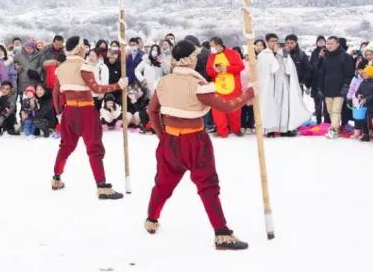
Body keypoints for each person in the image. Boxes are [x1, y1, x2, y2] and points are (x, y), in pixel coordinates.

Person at [143, 39, 256, 250]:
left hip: (169, 140)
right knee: (207, 185)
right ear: (189, 59)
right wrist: (249, 93)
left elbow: (152, 110)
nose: (197, 60)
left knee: (163, 183)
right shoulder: (197, 85)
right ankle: (222, 233)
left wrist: (162, 135)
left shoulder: (164, 82)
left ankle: (151, 218)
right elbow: (226, 106)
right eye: (195, 56)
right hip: (194, 141)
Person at [51, 36, 127, 200]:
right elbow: (97, 89)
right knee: (94, 148)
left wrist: (59, 114)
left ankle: (56, 178)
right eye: (83, 47)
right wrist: (118, 85)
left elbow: (55, 94)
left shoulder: (61, 68)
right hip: (86, 111)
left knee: (66, 146)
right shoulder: (84, 66)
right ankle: (102, 186)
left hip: (69, 111)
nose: (85, 49)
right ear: (79, 49)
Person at [257, 34, 311, 137]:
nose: (274, 43)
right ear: (267, 42)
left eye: (276, 41)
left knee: (284, 106)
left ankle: (284, 129)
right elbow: (272, 69)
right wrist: (274, 54)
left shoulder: (283, 53)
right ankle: (270, 129)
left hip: (282, 84)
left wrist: (285, 57)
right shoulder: (263, 55)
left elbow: (289, 69)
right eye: (272, 41)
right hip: (270, 85)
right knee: (270, 106)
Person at [204, 37, 246, 138]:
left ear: (220, 45)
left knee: (234, 110)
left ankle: (236, 129)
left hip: (233, 87)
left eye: (213, 46)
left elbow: (241, 66)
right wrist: (215, 71)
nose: (212, 49)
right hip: (218, 87)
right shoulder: (211, 57)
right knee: (218, 111)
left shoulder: (232, 53)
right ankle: (222, 131)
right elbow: (208, 71)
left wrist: (227, 69)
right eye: (211, 47)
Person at [317, 36, 356, 138]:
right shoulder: (326, 58)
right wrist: (320, 88)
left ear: (338, 44)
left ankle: (334, 130)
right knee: (330, 111)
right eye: (328, 44)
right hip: (327, 89)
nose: (329, 46)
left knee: (336, 111)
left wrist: (346, 87)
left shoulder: (345, 57)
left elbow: (349, 74)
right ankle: (336, 128)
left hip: (340, 89)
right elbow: (322, 74)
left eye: (332, 44)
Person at [352, 65, 373, 141]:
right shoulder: (363, 82)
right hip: (364, 105)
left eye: (365, 73)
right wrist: (358, 95)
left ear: (370, 74)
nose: (363, 74)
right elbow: (357, 91)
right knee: (364, 119)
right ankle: (365, 134)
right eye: (363, 73)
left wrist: (367, 99)